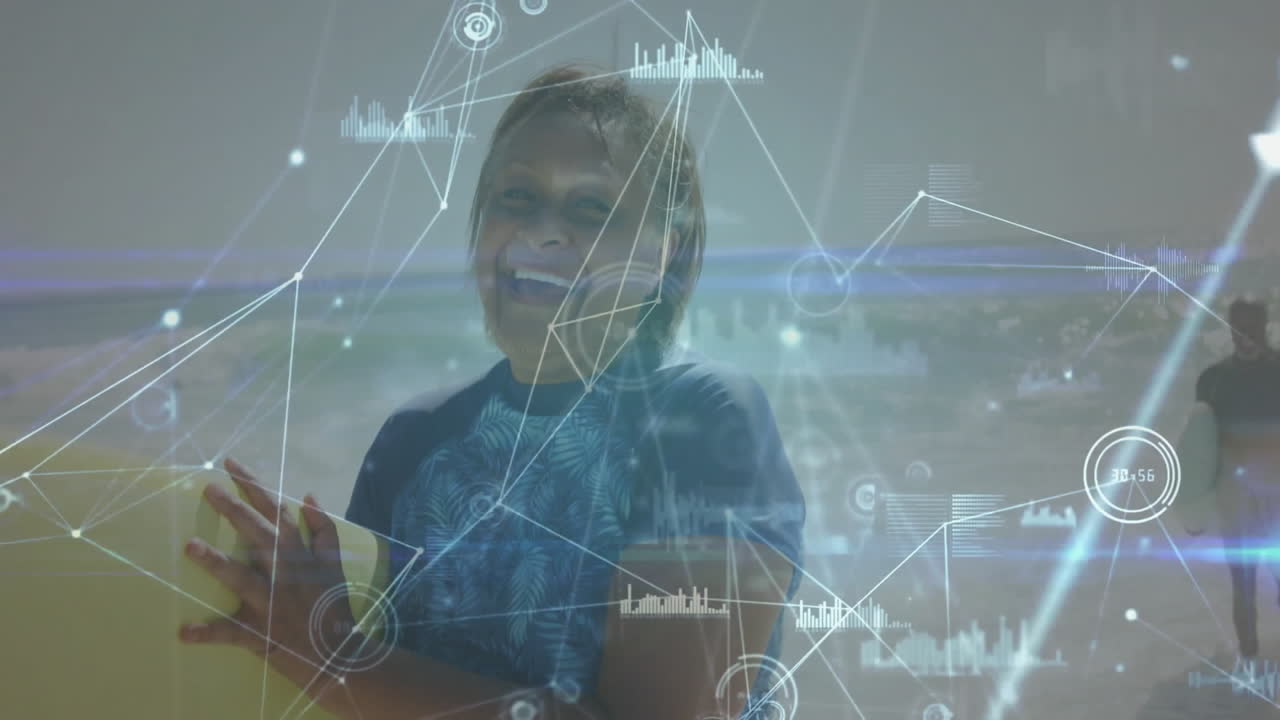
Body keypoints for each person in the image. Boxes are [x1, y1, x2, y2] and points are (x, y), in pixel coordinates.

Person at [179, 64, 806, 720]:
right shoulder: (414, 439)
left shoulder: (701, 419)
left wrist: (331, 653)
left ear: (664, 252)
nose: (540, 231)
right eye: (517, 196)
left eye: (592, 207)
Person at [1196, 297, 1280, 661]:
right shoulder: (1213, 381)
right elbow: (1201, 447)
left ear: (1264, 327)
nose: (1245, 336)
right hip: (1235, 498)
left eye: (1252, 328)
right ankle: (1249, 659)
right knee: (1242, 583)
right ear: (1230, 330)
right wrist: (1193, 506)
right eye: (1239, 328)